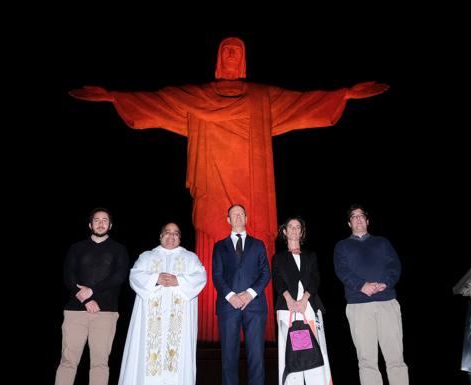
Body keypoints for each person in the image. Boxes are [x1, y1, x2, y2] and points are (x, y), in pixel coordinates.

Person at [70, 37, 388, 341]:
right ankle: (210, 333)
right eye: (227, 51)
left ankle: (263, 334)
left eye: (238, 50)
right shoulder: (198, 97)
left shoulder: (262, 97)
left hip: (254, 191)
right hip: (213, 191)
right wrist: (115, 97)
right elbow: (157, 102)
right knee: (213, 253)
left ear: (244, 60)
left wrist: (343, 94)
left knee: (256, 254)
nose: (232, 55)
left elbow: (303, 104)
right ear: (219, 60)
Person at [117, 222, 206, 385]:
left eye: (176, 233)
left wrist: (178, 280)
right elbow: (135, 276)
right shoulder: (147, 256)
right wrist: (155, 279)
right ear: (160, 236)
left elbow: (200, 277)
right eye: (167, 232)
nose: (171, 236)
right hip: (150, 319)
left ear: (180, 238)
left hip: (178, 320)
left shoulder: (190, 258)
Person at [333, 204, 409, 385]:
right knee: (367, 361)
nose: (358, 218)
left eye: (361, 216)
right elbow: (342, 270)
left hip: (387, 302)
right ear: (349, 223)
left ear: (367, 221)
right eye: (354, 216)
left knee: (395, 357)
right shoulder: (342, 246)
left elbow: (394, 265)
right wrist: (361, 286)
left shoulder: (382, 242)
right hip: (358, 306)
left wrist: (386, 283)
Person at [55, 207, 130, 385]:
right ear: (90, 224)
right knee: (68, 362)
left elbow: (119, 276)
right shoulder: (76, 248)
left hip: (106, 313)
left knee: (100, 364)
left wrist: (92, 291)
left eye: (105, 220)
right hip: (75, 312)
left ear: (110, 225)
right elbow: (68, 276)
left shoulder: (119, 249)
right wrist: (86, 298)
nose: (101, 223)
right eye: (97, 220)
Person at [212, 204, 271, 385]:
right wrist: (231, 297)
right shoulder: (219, 246)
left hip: (255, 307)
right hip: (228, 308)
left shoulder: (259, 244)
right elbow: (217, 275)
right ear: (228, 220)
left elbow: (265, 273)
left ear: (246, 219)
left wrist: (249, 294)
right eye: (233, 214)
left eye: (241, 214)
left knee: (257, 359)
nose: (238, 217)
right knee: (228, 359)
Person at [272, 216, 331, 385]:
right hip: (286, 309)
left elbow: (315, 279)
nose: (294, 230)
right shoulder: (278, 258)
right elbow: (277, 279)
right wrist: (289, 299)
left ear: (302, 232)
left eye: (298, 227)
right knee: (291, 352)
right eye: (290, 227)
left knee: (313, 349)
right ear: (284, 231)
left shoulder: (310, 256)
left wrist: (305, 299)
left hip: (309, 307)